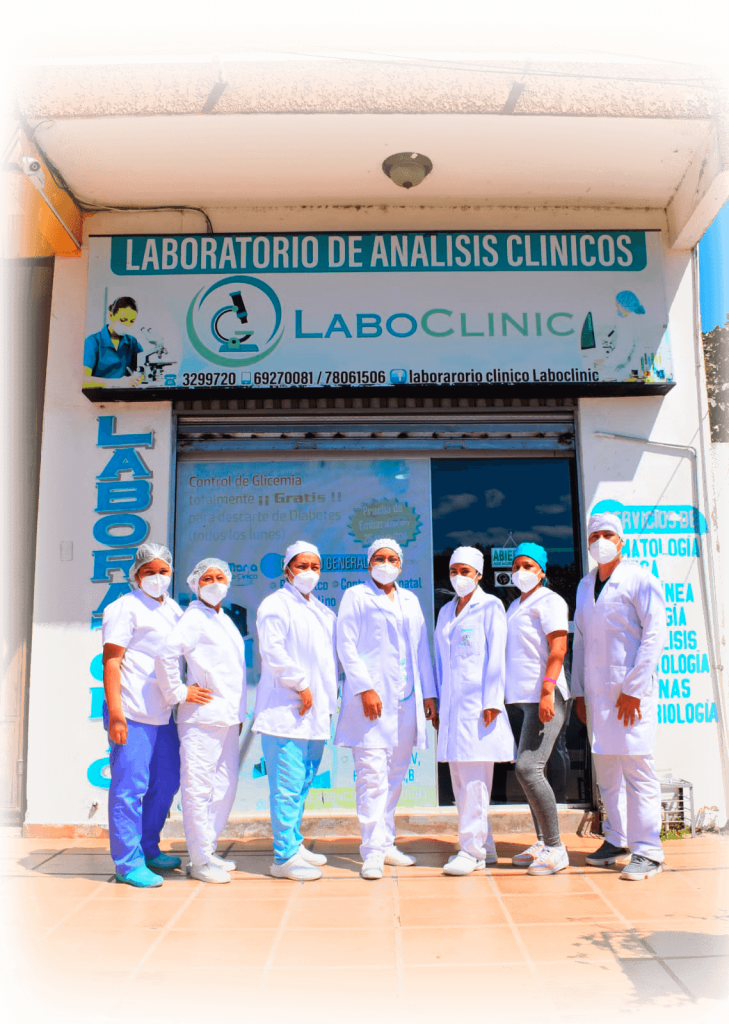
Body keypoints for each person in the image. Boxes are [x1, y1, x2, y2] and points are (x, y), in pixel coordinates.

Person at [572, 511, 668, 880]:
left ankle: (649, 851)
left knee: (637, 769)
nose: (601, 542)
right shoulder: (585, 586)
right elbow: (581, 642)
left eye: (608, 535)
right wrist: (579, 693)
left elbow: (655, 635)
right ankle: (617, 839)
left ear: (621, 541)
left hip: (630, 696)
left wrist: (634, 689)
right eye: (594, 536)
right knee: (608, 771)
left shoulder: (640, 579)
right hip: (598, 697)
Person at [335, 538, 436, 880]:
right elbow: (346, 645)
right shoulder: (356, 596)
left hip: (406, 699)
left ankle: (386, 841)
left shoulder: (410, 600)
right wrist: (364, 688)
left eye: (393, 558)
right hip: (372, 700)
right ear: (369, 564)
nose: (386, 563)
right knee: (372, 777)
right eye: (380, 558)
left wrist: (429, 694)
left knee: (394, 776)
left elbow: (420, 648)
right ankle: (372, 851)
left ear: (401, 565)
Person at [156, 558, 246, 884]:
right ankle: (199, 860)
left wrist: (238, 714)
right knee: (199, 788)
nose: (215, 583)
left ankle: (208, 848)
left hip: (227, 718)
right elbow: (166, 653)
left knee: (225, 786)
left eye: (220, 577)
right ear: (195, 584)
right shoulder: (194, 618)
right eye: (208, 578)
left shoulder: (222, 618)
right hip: (201, 719)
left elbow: (232, 671)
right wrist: (179, 692)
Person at [254, 541, 338, 882]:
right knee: (286, 786)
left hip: (315, 712)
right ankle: (283, 857)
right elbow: (273, 651)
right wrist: (301, 685)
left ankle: (294, 842)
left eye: (315, 566)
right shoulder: (275, 605)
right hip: (285, 710)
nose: (309, 572)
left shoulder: (322, 611)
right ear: (287, 569)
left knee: (302, 781)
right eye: (302, 566)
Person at [101, 542, 183, 888]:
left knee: (167, 781)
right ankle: (127, 862)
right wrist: (116, 714)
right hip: (132, 711)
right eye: (150, 571)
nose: (157, 577)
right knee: (129, 788)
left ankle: (148, 847)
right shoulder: (124, 608)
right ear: (136, 575)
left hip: (163, 712)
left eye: (163, 571)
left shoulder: (173, 609)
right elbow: (112, 661)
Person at [431, 547, 516, 875]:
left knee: (474, 783)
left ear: (479, 574)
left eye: (465, 571)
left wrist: (492, 701)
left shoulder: (491, 606)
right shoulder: (446, 611)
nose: (458, 577)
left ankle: (472, 851)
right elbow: (441, 661)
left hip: (479, 708)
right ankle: (486, 845)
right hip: (453, 709)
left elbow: (497, 655)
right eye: (454, 571)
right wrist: (438, 701)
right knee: (460, 781)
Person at [505, 542, 571, 875]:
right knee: (532, 772)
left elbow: (558, 647)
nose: (521, 571)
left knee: (528, 768)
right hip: (524, 699)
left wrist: (547, 690)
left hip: (546, 695)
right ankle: (543, 841)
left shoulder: (550, 601)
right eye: (516, 566)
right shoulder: (515, 605)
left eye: (528, 566)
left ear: (542, 571)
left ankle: (556, 847)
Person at [83, 296, 143, 387]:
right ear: (111, 315)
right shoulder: (93, 342)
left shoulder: (131, 342)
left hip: (124, 394)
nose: (127, 325)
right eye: (123, 320)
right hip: (98, 394)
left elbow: (140, 372)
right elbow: (83, 380)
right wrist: (117, 383)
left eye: (131, 321)